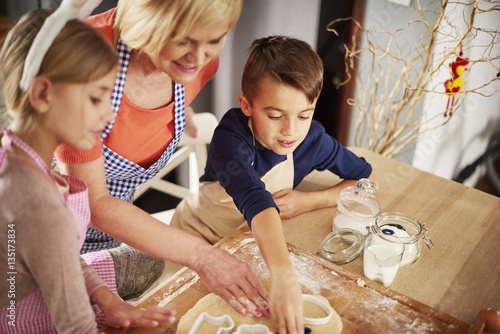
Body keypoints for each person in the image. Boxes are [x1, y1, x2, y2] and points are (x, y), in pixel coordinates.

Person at [53, 0, 268, 317]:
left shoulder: (197, 67)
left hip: (110, 230)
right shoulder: (82, 64)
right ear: (146, 23)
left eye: (213, 39)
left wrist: (176, 111)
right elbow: (95, 203)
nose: (198, 57)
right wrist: (203, 257)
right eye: (183, 40)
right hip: (51, 231)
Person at [171, 35, 377, 333]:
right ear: (247, 105)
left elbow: (366, 180)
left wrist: (310, 200)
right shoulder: (230, 139)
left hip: (254, 248)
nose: (290, 131)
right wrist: (284, 276)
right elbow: (255, 198)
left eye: (304, 115)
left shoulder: (313, 139)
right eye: (275, 115)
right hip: (196, 240)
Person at [0, 4, 175, 332]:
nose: (108, 115)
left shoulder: (13, 150)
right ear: (42, 93)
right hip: (23, 321)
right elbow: (76, 326)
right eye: (96, 99)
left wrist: (106, 299)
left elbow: (54, 251)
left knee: (152, 261)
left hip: (38, 285)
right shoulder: (39, 205)